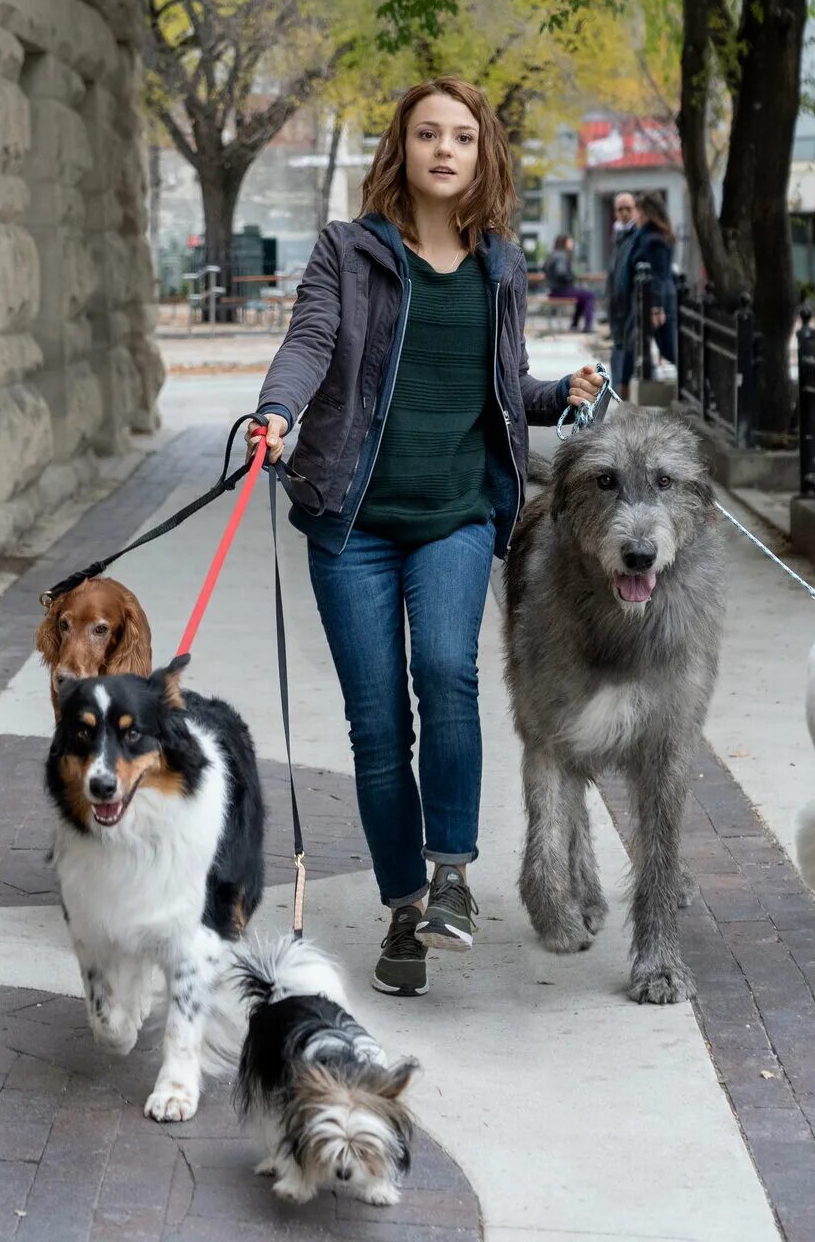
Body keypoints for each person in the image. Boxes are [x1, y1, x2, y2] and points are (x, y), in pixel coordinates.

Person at [249, 77, 606, 998]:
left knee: (448, 670)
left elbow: (503, 384)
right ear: (400, 151)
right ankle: (403, 908)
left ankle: (452, 875)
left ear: (482, 154)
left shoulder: (502, 265)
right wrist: (277, 413)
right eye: (426, 135)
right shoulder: (348, 251)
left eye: (461, 137)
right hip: (352, 521)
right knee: (377, 728)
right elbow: (310, 343)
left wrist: (554, 396)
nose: (445, 150)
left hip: (454, 512)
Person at [607, 190, 677, 393]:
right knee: (632, 346)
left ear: (645, 212)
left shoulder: (653, 239)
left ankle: (625, 391)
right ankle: (624, 390)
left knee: (667, 348)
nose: (632, 215)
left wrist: (656, 307)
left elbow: (658, 277)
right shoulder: (641, 236)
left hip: (652, 303)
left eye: (634, 210)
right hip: (640, 301)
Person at [544, 232, 596, 332]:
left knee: (582, 296)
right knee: (589, 295)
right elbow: (561, 273)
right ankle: (588, 326)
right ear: (564, 243)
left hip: (553, 290)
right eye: (570, 241)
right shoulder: (562, 255)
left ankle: (574, 324)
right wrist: (572, 277)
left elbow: (545, 269)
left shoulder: (553, 254)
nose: (572, 243)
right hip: (561, 290)